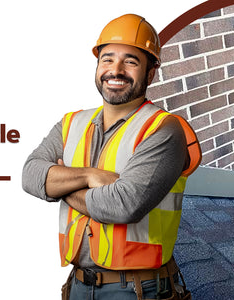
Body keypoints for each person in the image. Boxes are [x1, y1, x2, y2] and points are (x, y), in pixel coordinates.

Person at [22, 13, 201, 300]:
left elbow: (122, 206)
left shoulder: (164, 130)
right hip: (79, 284)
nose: (115, 70)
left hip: (138, 289)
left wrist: (59, 185)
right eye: (107, 59)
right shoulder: (71, 124)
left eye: (130, 61)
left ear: (150, 73)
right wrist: (88, 176)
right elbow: (30, 175)